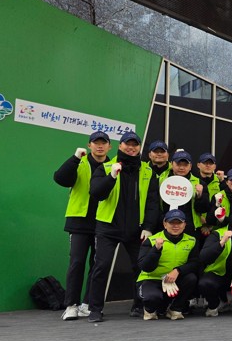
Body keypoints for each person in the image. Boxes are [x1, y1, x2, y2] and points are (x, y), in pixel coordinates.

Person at [86, 131, 161, 322]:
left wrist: (148, 227)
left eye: (135, 144)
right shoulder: (106, 167)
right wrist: (111, 177)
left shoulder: (147, 170)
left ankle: (138, 305)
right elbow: (96, 193)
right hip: (108, 228)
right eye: (128, 144)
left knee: (140, 268)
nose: (131, 147)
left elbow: (153, 202)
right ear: (120, 146)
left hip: (136, 230)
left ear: (139, 147)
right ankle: (95, 309)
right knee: (101, 266)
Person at [54, 130, 112, 320]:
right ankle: (71, 305)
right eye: (96, 142)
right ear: (89, 145)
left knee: (97, 265)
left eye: (103, 143)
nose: (100, 146)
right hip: (79, 221)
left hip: (103, 221)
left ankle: (88, 303)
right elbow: (60, 179)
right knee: (77, 262)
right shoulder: (79, 162)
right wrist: (74, 158)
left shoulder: (113, 166)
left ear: (109, 147)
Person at [137, 209, 201, 320]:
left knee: (191, 278)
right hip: (152, 279)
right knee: (152, 298)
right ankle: (150, 310)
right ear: (165, 224)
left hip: (174, 280)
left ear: (184, 224)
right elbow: (145, 267)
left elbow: (195, 263)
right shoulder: (152, 240)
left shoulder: (191, 240)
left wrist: (178, 270)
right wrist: (156, 249)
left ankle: (175, 309)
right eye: (172, 223)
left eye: (179, 223)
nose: (175, 226)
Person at [168, 151, 210, 236]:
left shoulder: (199, 183)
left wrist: (200, 196)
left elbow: (204, 209)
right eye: (179, 164)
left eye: (185, 165)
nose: (182, 168)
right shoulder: (163, 180)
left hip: (190, 229)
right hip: (167, 227)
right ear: (172, 164)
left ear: (190, 166)